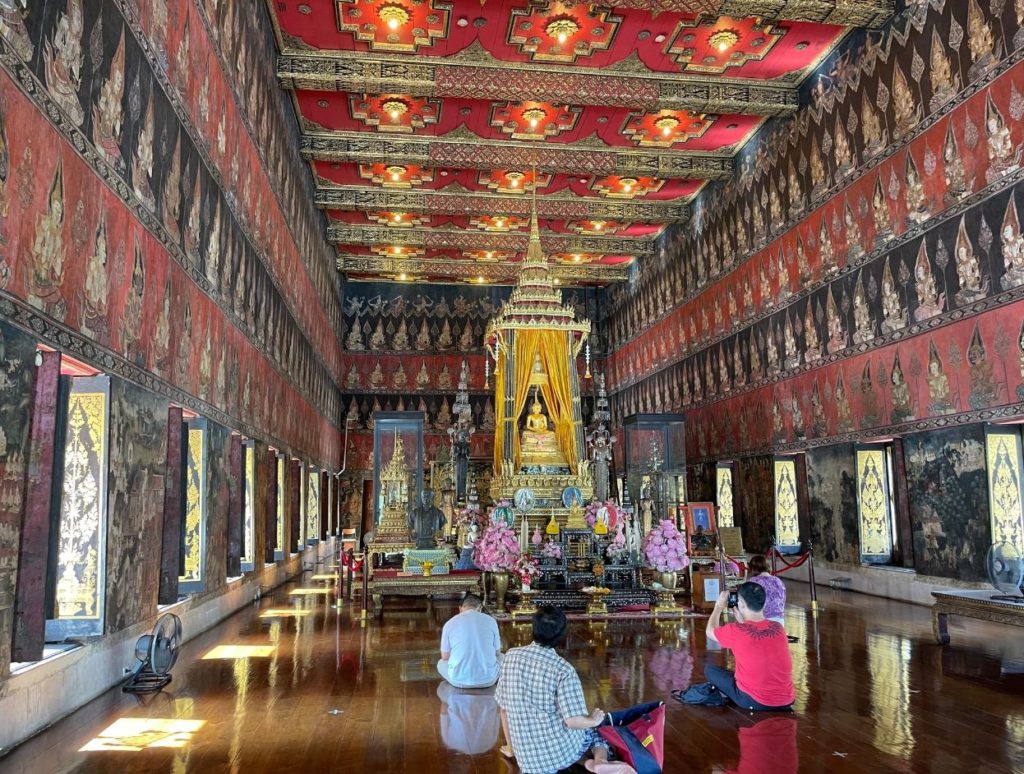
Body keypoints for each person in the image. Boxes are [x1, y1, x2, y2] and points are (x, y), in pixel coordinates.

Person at [495, 606, 636, 774]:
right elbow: (572, 721)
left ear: (533, 628)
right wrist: (593, 720)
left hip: (526, 759)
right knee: (596, 729)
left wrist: (512, 749)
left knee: (577, 730)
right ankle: (600, 761)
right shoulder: (563, 670)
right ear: (561, 636)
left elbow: (504, 711)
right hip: (557, 753)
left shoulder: (511, 656)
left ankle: (589, 762)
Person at [704, 583, 795, 712]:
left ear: (740, 604)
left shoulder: (736, 630)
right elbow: (754, 636)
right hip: (786, 700)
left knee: (710, 670)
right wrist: (743, 620)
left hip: (754, 701)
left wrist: (718, 607)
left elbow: (710, 631)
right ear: (763, 603)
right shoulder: (778, 628)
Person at [437, 594, 502, 689]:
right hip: (489, 680)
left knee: (441, 663)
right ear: (480, 608)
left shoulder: (449, 623)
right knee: (503, 657)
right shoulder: (491, 621)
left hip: (458, 681)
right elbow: (497, 652)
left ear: (460, 609)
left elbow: (445, 657)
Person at [746, 554, 786, 626]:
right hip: (780, 621)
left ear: (752, 568)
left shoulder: (753, 581)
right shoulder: (778, 581)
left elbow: (748, 604)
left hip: (762, 621)